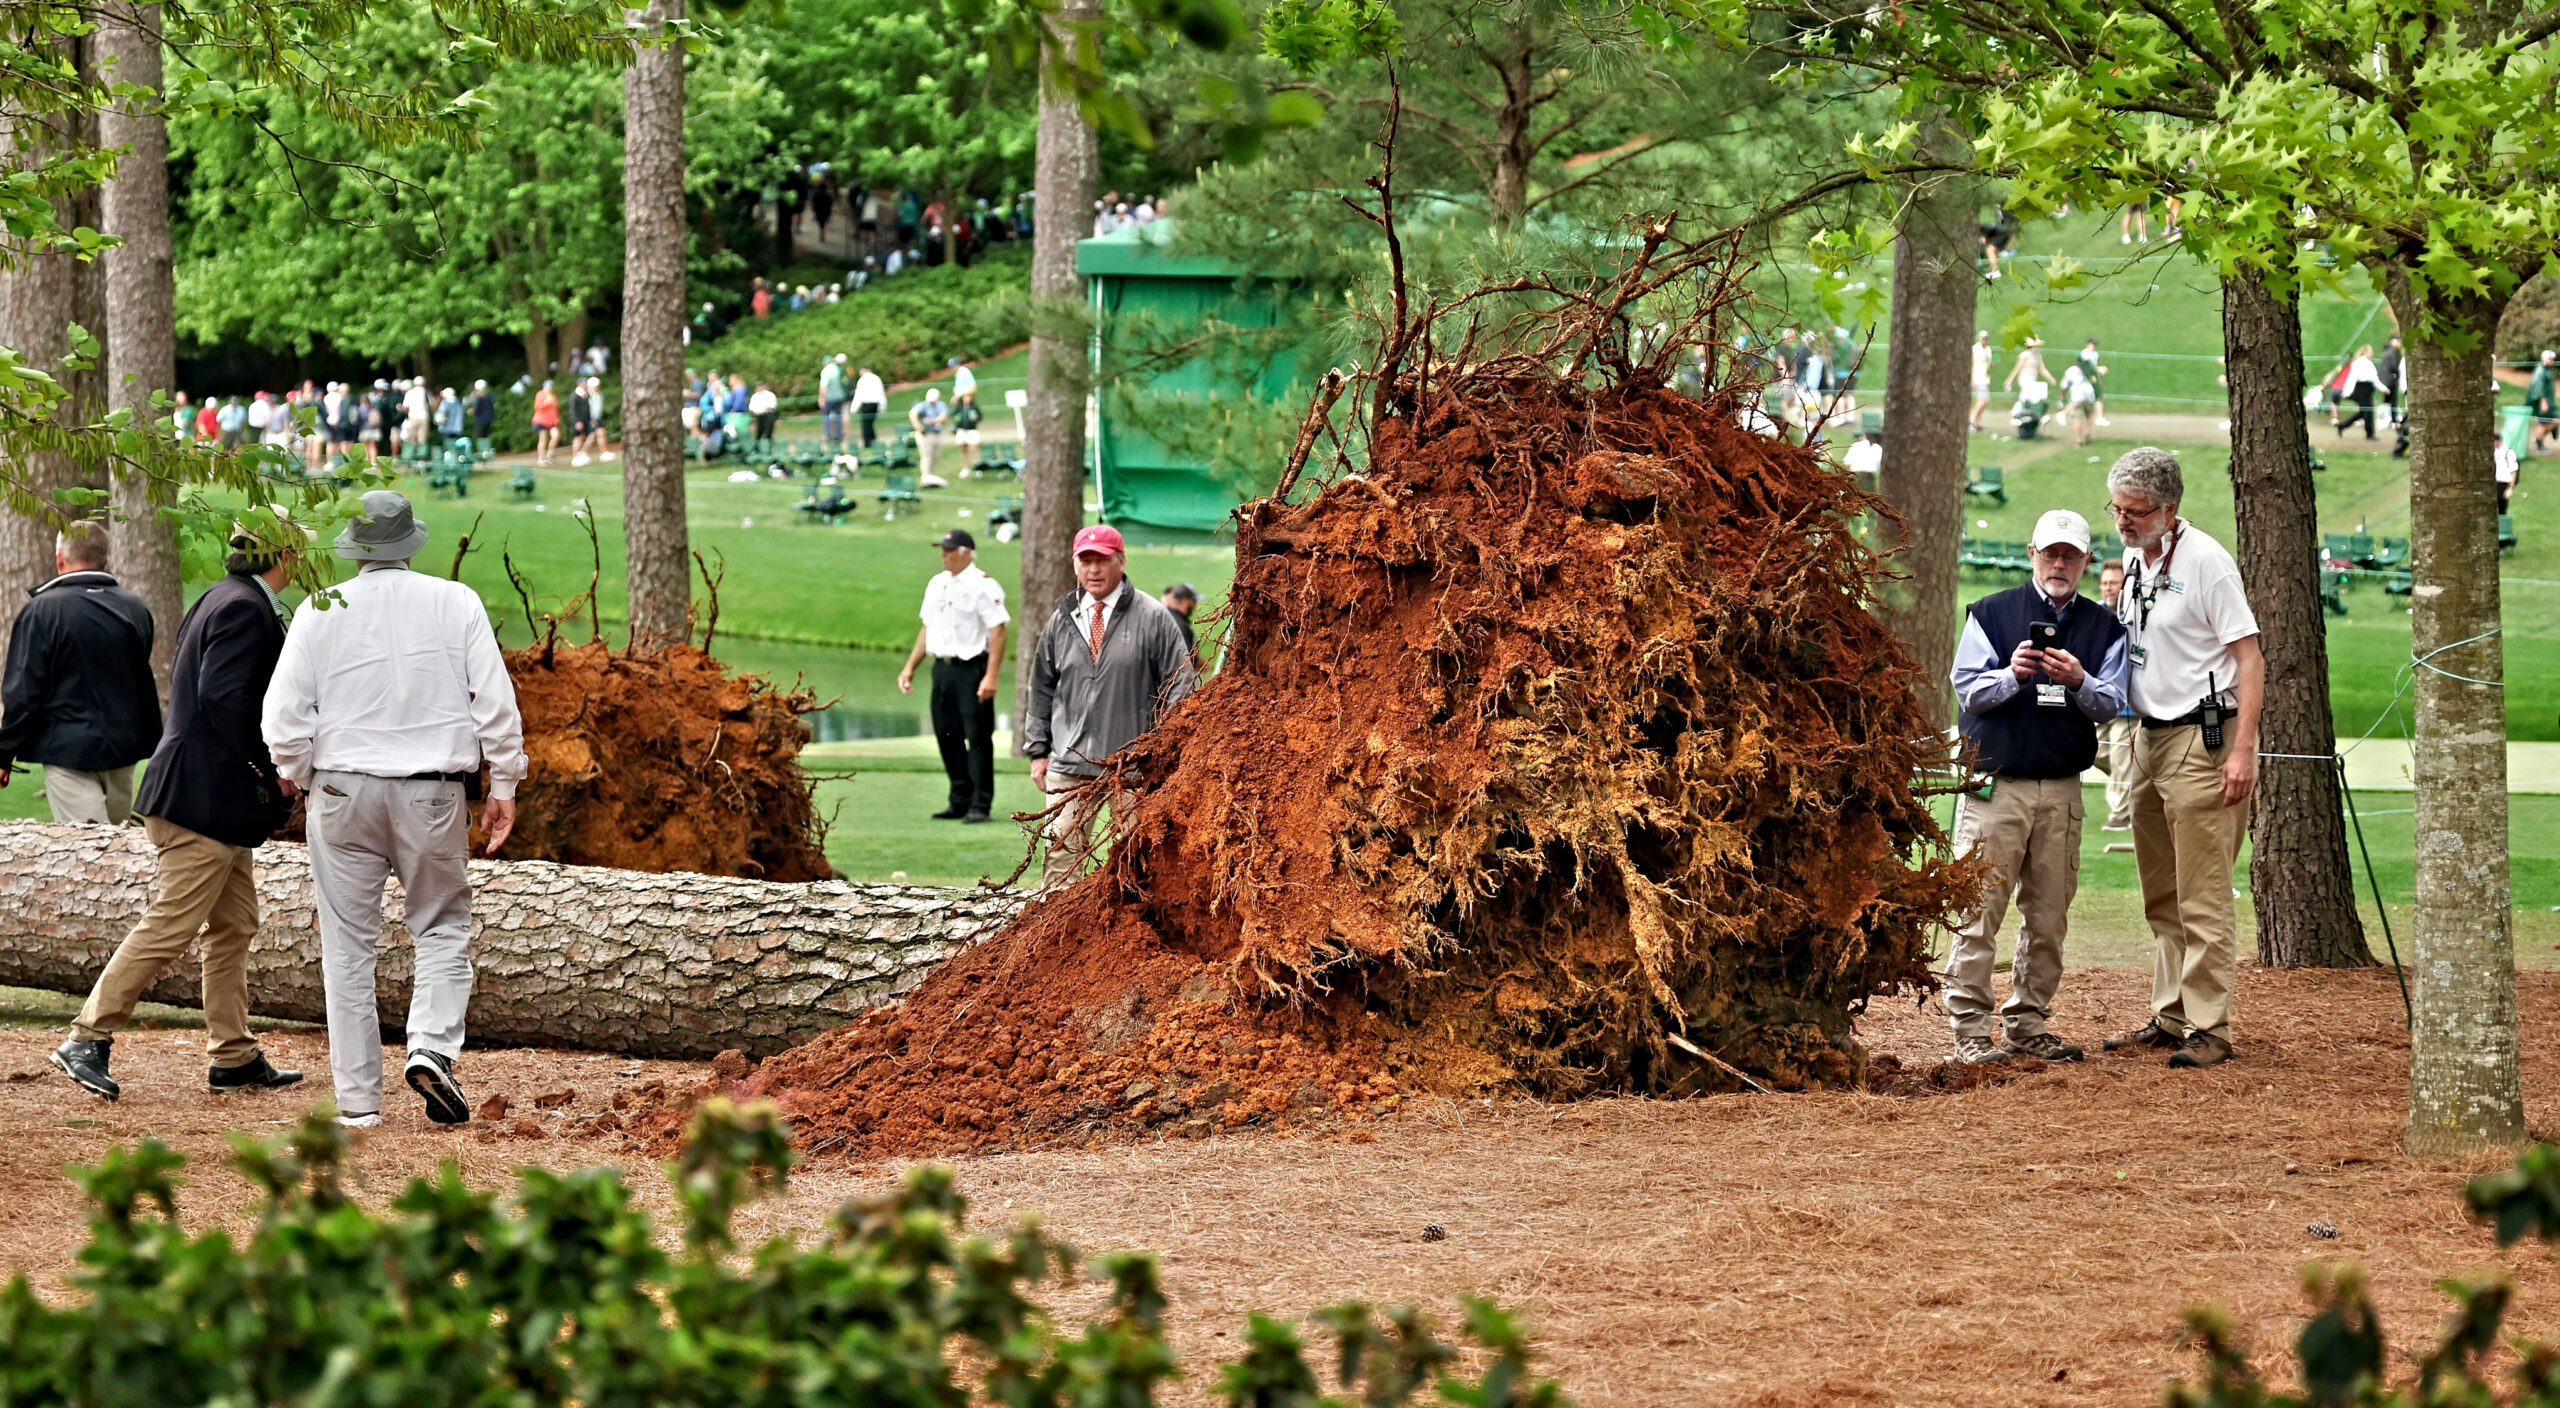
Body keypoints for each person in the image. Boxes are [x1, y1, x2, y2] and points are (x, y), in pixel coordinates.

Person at [260, 490, 525, 1128]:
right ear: (411, 545)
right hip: (430, 790)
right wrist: (505, 783)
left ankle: (357, 1103)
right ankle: (431, 1045)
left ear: (356, 550)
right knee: (440, 926)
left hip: (343, 790)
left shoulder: (321, 610)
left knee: (347, 945)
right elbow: (495, 701)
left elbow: (284, 716)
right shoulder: (455, 601)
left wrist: (294, 774)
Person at [48, 519, 308, 1103]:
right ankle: (86, 1037)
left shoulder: (223, 596)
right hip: (202, 799)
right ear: (283, 555)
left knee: (235, 923)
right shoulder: (245, 608)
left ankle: (234, 1056)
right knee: (171, 924)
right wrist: (273, 770)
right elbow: (224, 698)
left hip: (207, 798)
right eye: (300, 554)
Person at [1944, 509, 2129, 1065]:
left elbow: (2116, 701)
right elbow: (1967, 690)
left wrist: (2079, 681)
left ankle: (2028, 1024)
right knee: (1978, 913)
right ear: (2031, 554)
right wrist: (2012, 675)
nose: (2059, 563)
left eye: (2070, 555)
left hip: (2063, 789)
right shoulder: (1993, 614)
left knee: (2049, 917)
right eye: (2050, 553)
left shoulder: (2104, 628)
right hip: (1994, 786)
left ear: (2086, 562)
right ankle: (1971, 1032)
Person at [2098, 447, 2263, 1070]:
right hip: (2147, 736)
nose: (2123, 521)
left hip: (2204, 736)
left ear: (2171, 508)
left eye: (2136, 511)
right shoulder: (2137, 560)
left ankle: (2210, 1026)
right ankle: (2170, 1014)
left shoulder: (2207, 563)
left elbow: (2250, 658)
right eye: (2116, 509)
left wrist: (2242, 748)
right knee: (2160, 892)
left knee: (2202, 893)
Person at [1023, 525, 1199, 889]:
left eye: (1102, 560)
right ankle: (1055, 938)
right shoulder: (1062, 618)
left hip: (1134, 766)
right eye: (1085, 561)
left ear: (1121, 560)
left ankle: (1137, 939)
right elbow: (1040, 687)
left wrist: (1166, 751)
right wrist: (1038, 750)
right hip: (1070, 762)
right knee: (1060, 855)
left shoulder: (1153, 617)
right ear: (1075, 565)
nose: (1094, 570)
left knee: (1141, 858)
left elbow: (1181, 688)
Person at [0, 521, 159, 825]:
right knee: (118, 848)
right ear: (106, 561)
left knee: (91, 851)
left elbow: (24, 690)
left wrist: (3, 752)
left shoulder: (42, 611)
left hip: (67, 752)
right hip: (123, 750)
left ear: (60, 558)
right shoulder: (135, 608)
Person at [898, 529, 1009, 824]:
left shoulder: (983, 585)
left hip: (972, 669)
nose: (943, 554)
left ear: (966, 552)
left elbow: (998, 630)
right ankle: (959, 799)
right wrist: (910, 667)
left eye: (949, 549)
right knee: (947, 735)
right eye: (942, 550)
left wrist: (991, 676)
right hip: (943, 670)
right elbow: (927, 628)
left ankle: (980, 804)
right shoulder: (937, 583)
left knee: (977, 737)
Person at [2094, 560, 2138, 830]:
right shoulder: (2093, 615)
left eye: (2114, 583)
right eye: (2105, 583)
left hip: (2127, 705)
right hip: (2097, 698)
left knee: (2123, 757)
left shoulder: (2136, 614)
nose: (2109, 588)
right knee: (2093, 750)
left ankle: (2121, 816)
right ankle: (2139, 783)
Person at [2339, 344, 2382, 440]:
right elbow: (2352, 378)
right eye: (2370, 351)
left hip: (2368, 389)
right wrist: (2347, 392)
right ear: (2366, 352)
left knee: (2363, 412)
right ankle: (2370, 434)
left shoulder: (2368, 363)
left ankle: (2342, 425)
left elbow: (2374, 378)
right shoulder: (2359, 363)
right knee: (2368, 411)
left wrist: (2382, 388)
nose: (2372, 353)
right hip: (2362, 389)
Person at [909, 387, 949, 481]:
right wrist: (918, 425)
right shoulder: (923, 405)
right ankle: (925, 477)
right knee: (927, 456)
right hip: (925, 434)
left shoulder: (940, 405)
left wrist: (932, 421)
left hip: (936, 433)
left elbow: (943, 417)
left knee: (935, 455)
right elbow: (913, 414)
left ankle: (931, 475)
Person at [1160, 583, 1201, 667]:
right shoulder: (1179, 624)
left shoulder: (1170, 617)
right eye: (1193, 601)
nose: (1195, 605)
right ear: (1185, 601)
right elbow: (1187, 658)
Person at [852, 364, 888, 448]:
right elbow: (881, 393)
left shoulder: (862, 380)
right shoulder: (877, 379)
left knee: (866, 425)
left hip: (866, 404)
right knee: (870, 423)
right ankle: (873, 440)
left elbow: (858, 395)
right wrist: (882, 406)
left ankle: (868, 443)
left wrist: (854, 408)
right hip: (875, 404)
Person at [820, 353, 850, 452]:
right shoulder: (838, 369)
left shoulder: (825, 371)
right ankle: (839, 434)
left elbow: (823, 386)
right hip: (840, 396)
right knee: (838, 416)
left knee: (826, 415)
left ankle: (829, 434)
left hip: (830, 396)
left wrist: (821, 398)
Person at [2077, 340, 2110, 427]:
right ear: (2088, 344)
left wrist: (2098, 374)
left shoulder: (2095, 354)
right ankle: (2064, 413)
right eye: (2092, 344)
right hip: (2085, 378)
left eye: (2095, 345)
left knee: (2098, 396)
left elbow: (2093, 368)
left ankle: (2099, 417)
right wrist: (2099, 369)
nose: (2093, 346)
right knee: (2084, 398)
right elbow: (2087, 366)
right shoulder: (2085, 353)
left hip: (2092, 377)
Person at [2531, 350, 2558, 455]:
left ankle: (2539, 437)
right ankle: (2539, 444)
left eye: (2553, 359)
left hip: (2549, 401)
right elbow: (2538, 387)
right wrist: (2543, 402)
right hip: (2543, 402)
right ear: (2544, 359)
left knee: (2555, 420)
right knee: (2544, 423)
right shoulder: (2540, 371)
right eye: (2550, 359)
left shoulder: (2548, 370)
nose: (2552, 361)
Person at [1969, 331, 1994, 433]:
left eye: (1986, 338)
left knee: (1981, 400)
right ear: (1979, 338)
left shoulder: (1988, 349)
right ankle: (1972, 420)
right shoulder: (1975, 349)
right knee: (1984, 400)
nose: (1984, 340)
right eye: (1983, 338)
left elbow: (1989, 362)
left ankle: (1978, 423)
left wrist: (1993, 362)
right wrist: (1971, 379)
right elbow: (1970, 364)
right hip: (1977, 377)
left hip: (1985, 378)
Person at [531, 379, 560, 466]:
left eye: (550, 387)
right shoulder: (540, 394)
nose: (549, 389)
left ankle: (550, 454)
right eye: (547, 387)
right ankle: (541, 458)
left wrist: (556, 420)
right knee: (543, 439)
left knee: (556, 436)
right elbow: (537, 407)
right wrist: (546, 402)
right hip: (541, 420)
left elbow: (554, 409)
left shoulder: (553, 396)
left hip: (551, 421)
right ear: (544, 387)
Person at [2377, 336, 2404, 428]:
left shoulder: (2386, 351)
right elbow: (2395, 366)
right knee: (2393, 400)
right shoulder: (2394, 352)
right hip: (2391, 379)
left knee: (2387, 400)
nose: (2399, 343)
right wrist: (2398, 377)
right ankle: (2394, 420)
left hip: (2384, 378)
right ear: (2392, 341)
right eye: (2397, 341)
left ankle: (2383, 418)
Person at [469, 379, 496, 447]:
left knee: (480, 437)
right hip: (489, 420)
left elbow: (476, 409)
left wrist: (470, 411)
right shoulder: (489, 396)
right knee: (486, 437)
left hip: (480, 421)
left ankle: (482, 452)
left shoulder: (479, 398)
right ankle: (487, 451)